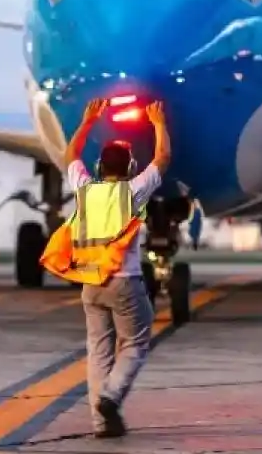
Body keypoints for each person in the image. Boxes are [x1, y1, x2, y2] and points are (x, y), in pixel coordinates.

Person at [63, 98, 171, 438]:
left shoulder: (84, 190)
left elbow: (70, 156)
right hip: (125, 282)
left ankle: (101, 423)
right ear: (128, 168)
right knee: (137, 342)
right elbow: (163, 159)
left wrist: (87, 121)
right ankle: (111, 396)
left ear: (99, 167)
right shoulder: (131, 192)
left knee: (98, 350)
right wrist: (157, 123)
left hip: (90, 283)